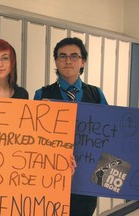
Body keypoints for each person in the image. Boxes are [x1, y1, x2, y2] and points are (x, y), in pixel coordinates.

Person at [34, 37, 108, 216]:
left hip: (87, 179)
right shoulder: (42, 94)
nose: (68, 61)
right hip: (51, 178)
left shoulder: (96, 94)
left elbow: (107, 135)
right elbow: (33, 139)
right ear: (56, 61)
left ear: (83, 61)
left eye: (74, 56)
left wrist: (105, 179)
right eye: (62, 56)